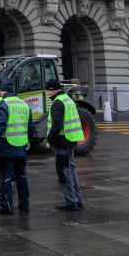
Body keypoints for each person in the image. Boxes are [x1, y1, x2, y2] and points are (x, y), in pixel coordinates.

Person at [0, 77, 35, 214]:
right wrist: (27, 141)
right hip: (21, 146)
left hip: (7, 145)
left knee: (6, 176)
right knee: (21, 175)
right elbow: (31, 127)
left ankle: (6, 205)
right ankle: (24, 203)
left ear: (3, 90)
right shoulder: (24, 104)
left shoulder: (3, 104)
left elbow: (0, 126)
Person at [46, 79, 85, 211]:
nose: (47, 93)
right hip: (71, 140)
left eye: (48, 90)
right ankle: (78, 199)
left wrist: (49, 139)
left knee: (64, 172)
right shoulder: (68, 100)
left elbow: (57, 125)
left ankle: (71, 200)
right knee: (71, 170)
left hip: (62, 141)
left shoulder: (58, 102)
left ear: (52, 90)